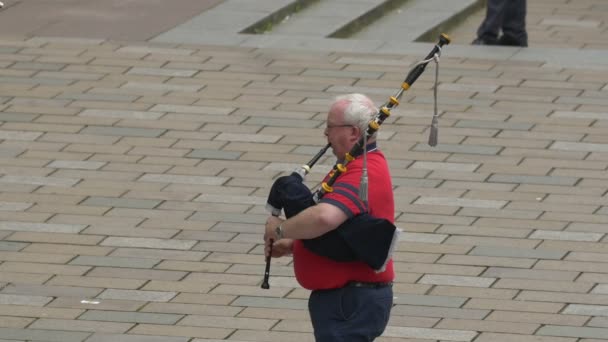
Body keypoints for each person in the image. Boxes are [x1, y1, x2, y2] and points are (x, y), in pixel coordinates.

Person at [264, 93, 395, 341]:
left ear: (354, 133)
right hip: (350, 299)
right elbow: (345, 234)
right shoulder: (362, 164)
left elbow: (324, 218)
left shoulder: (362, 172)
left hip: (349, 302)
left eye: (330, 127)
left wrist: (281, 229)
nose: (326, 134)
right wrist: (294, 245)